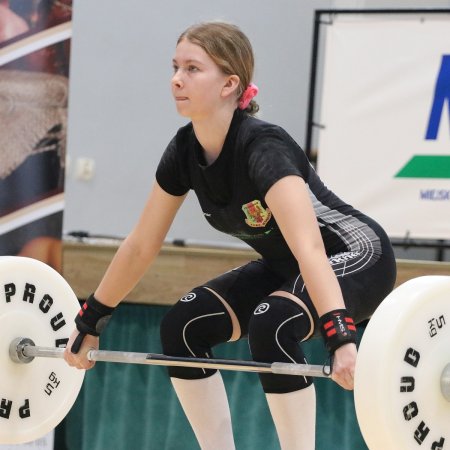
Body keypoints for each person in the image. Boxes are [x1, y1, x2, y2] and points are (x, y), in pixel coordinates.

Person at [64, 21, 397, 449]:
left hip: (357, 255)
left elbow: (311, 246)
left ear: (230, 84)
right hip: (288, 265)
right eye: (174, 67)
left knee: (272, 323)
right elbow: (141, 245)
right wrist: (91, 318)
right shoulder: (184, 151)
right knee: (182, 327)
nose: (176, 79)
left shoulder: (263, 148)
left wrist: (341, 334)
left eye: (192, 69)